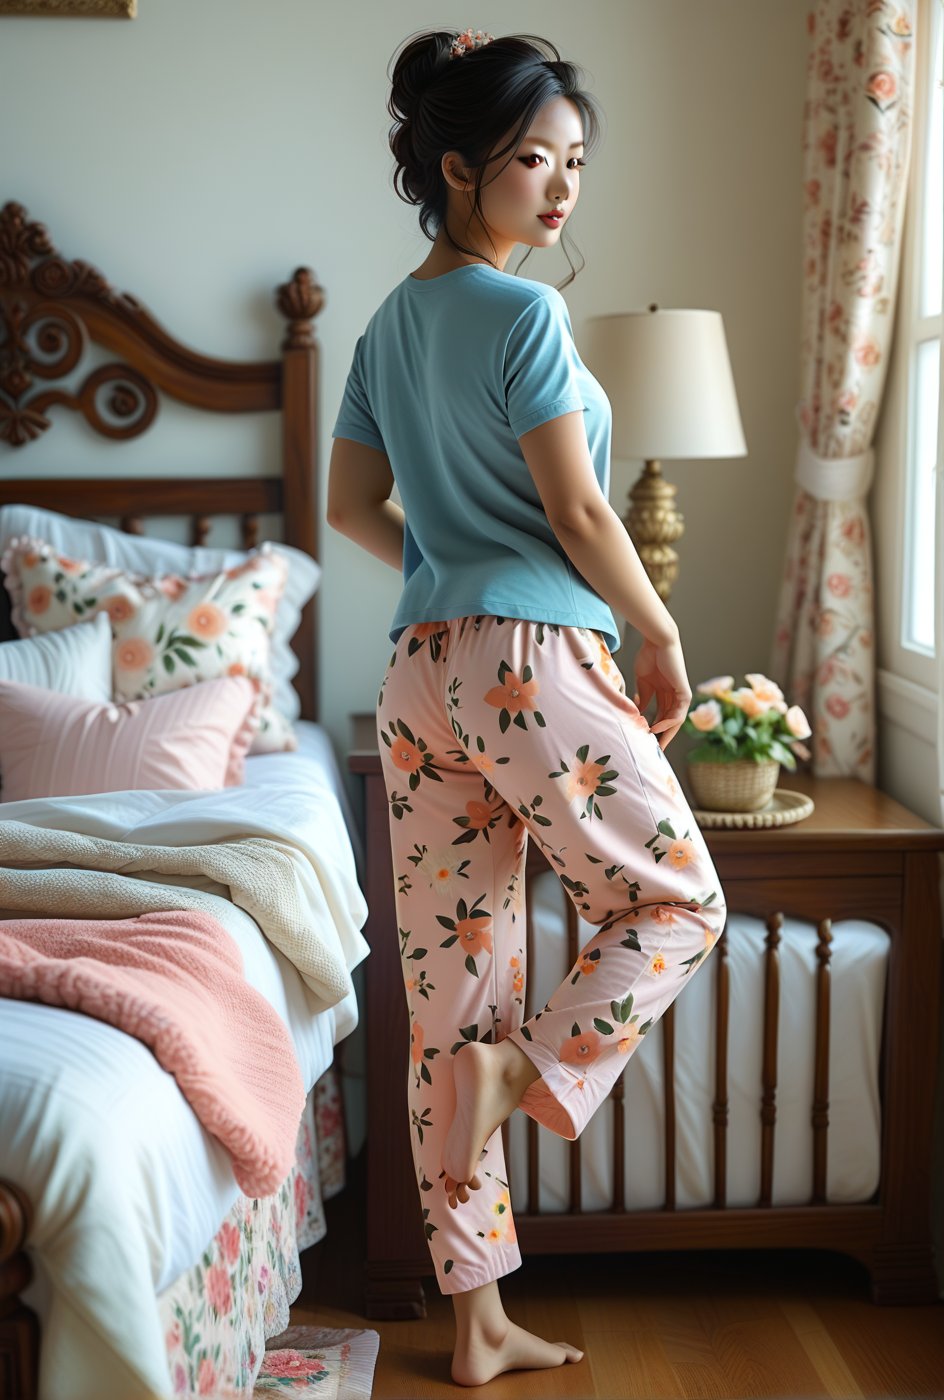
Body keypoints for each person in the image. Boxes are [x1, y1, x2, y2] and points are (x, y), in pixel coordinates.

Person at [328, 27, 728, 1387]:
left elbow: (344, 509)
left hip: (417, 674)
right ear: (457, 167)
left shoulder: (388, 323)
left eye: (571, 161)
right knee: (678, 901)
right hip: (528, 659)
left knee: (456, 1001)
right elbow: (576, 508)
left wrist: (449, 570)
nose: (561, 187)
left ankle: (477, 1325)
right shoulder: (523, 315)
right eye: (529, 161)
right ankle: (543, 1074)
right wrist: (658, 623)